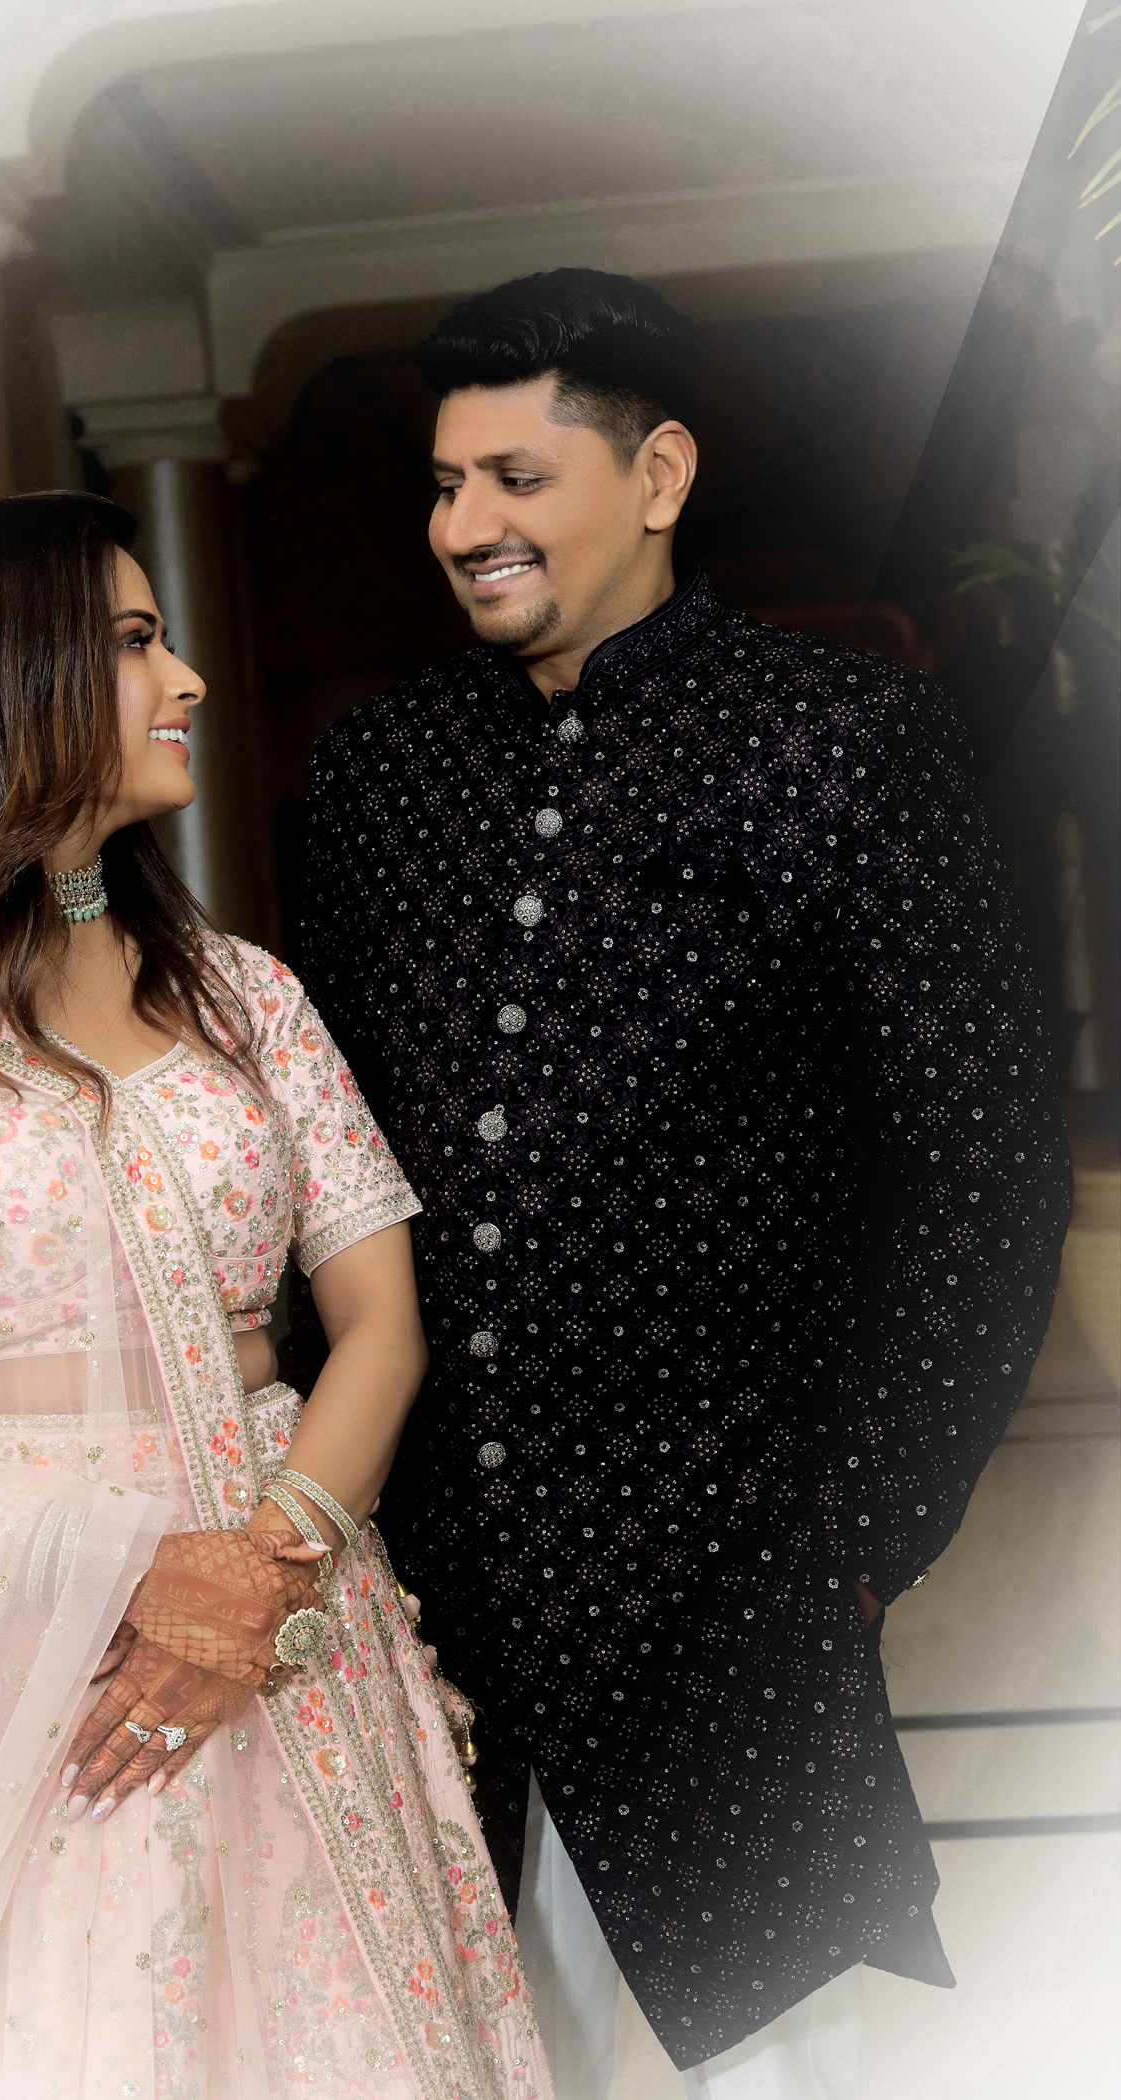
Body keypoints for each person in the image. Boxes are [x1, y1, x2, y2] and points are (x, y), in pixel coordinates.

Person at [295, 269, 1073, 2098]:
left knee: (770, 2053)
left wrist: (865, 1534)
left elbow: (981, 1175)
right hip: (433, 1598)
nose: (464, 526)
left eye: (516, 477)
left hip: (732, 1586)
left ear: (658, 475)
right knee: (462, 2041)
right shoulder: (376, 781)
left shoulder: (843, 743)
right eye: (443, 485)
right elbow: (317, 1179)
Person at [0, 492, 555, 2100]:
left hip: (294, 1611)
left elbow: (381, 1321)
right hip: (14, 1653)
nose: (188, 678)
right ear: (5, 679)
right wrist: (120, 1571)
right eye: (139, 641)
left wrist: (261, 1577)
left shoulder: (242, 997)